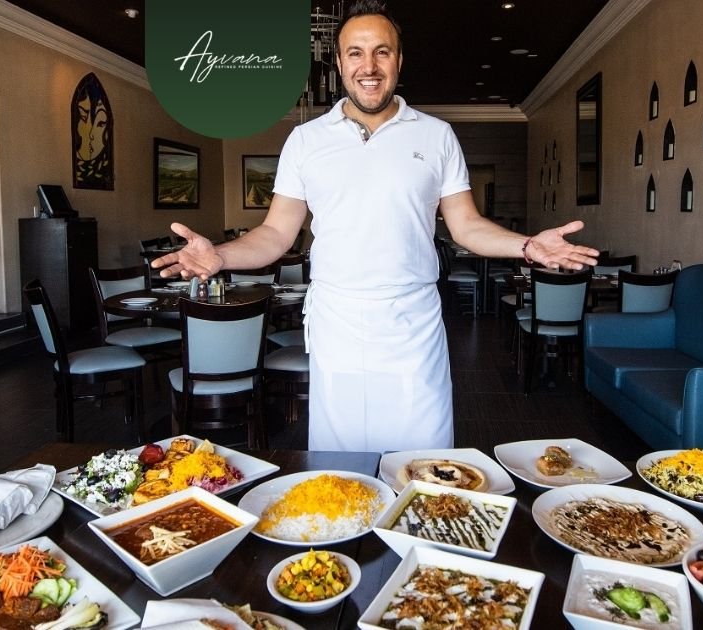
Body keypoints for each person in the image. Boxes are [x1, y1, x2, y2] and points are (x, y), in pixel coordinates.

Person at [151, 0, 598, 452]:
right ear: (340, 63)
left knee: (424, 459)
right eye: (356, 52)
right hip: (337, 321)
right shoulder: (306, 140)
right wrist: (221, 256)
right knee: (341, 462)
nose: (369, 65)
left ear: (399, 62)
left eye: (382, 52)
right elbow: (276, 234)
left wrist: (527, 247)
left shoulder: (436, 135)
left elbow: (465, 226)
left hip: (413, 321)